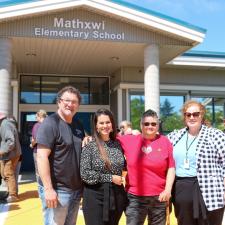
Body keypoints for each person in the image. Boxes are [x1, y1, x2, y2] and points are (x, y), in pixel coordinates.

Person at [167, 100, 225, 225]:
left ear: (202, 115)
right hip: (181, 189)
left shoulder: (216, 135)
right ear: (184, 116)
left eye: (195, 114)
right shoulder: (174, 136)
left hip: (211, 190)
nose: (192, 117)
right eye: (188, 114)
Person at [117, 109, 175, 225]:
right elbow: (106, 138)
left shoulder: (165, 141)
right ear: (141, 125)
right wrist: (90, 138)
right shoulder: (128, 140)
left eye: (153, 124)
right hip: (135, 198)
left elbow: (171, 167)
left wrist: (168, 190)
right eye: (146, 124)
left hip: (159, 197)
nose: (150, 126)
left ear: (158, 125)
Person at [36, 86, 85, 225]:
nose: (70, 104)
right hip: (57, 191)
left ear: (78, 105)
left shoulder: (78, 125)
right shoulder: (50, 123)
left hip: (75, 190)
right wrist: (48, 189)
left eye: (74, 102)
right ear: (59, 102)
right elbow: (41, 157)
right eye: (67, 100)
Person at [80, 108, 127, 225]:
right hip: (94, 196)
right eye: (101, 123)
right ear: (96, 126)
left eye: (108, 122)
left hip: (116, 196)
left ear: (112, 124)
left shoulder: (118, 144)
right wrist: (110, 178)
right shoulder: (89, 145)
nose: (105, 125)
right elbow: (85, 174)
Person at [0, 112, 22, 202]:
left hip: (10, 154)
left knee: (8, 173)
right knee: (4, 173)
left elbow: (10, 141)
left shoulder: (5, 125)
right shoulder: (6, 124)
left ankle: (13, 195)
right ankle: (11, 193)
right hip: (10, 154)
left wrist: (3, 151)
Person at [30, 109, 47, 181]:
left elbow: (36, 139)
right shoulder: (49, 124)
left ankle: (41, 190)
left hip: (38, 151)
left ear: (40, 116)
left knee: (39, 171)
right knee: (46, 170)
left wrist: (32, 144)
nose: (35, 119)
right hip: (48, 150)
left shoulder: (37, 125)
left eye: (36, 117)